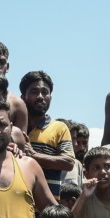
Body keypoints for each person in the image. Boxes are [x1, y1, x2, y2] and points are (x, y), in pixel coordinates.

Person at [19, 71, 76, 199]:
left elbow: (68, 162)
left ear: (51, 97)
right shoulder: (14, 127)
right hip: (18, 204)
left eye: (45, 92)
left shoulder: (59, 128)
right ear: (22, 97)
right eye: (34, 92)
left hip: (47, 210)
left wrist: (34, 155)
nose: (40, 96)